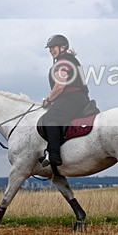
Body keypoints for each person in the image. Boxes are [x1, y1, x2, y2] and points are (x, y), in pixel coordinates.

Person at [40, 34, 90, 167]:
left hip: (72, 97)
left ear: (62, 47)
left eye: (53, 47)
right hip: (79, 98)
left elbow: (59, 86)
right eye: (49, 48)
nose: (51, 50)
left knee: (50, 118)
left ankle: (54, 155)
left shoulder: (63, 62)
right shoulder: (70, 59)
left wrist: (48, 100)